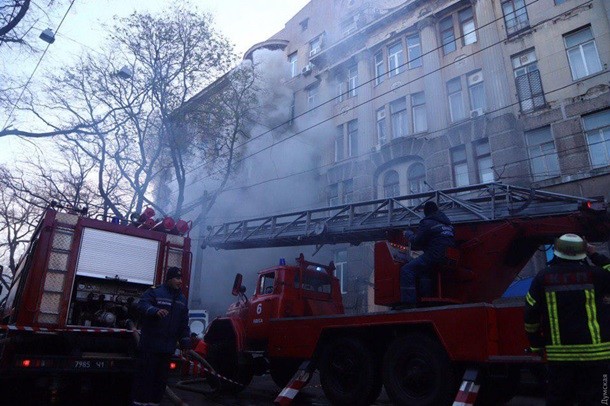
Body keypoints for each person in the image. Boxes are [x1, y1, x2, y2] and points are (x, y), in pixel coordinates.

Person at [524, 234, 610, 405]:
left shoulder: (542, 277)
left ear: (557, 251)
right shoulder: (598, 275)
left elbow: (531, 315)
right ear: (583, 252)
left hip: (560, 359)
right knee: (600, 400)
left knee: (560, 401)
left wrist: (536, 344)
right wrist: (594, 255)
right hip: (597, 357)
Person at [132, 267, 190, 406]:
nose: (180, 281)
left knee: (160, 382)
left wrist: (185, 343)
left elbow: (183, 323)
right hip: (150, 347)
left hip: (167, 349)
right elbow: (142, 304)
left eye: (181, 279)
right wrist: (154, 311)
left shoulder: (182, 299)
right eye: (177, 278)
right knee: (145, 380)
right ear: (169, 279)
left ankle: (154, 403)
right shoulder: (155, 292)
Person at [400, 201, 455, 305]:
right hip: (447, 258)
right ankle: (426, 299)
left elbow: (416, 242)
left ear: (426, 212)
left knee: (407, 269)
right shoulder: (448, 225)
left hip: (434, 256)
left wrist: (408, 234)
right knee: (424, 271)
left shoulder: (427, 222)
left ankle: (408, 303)